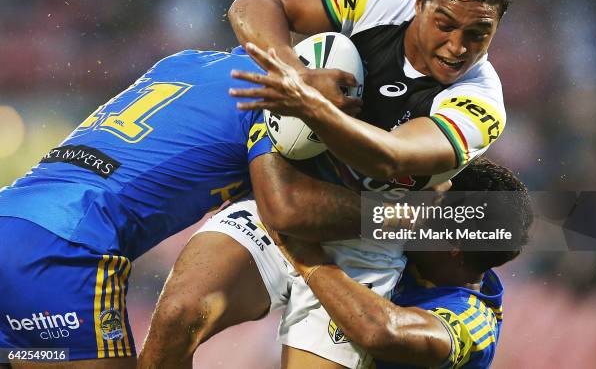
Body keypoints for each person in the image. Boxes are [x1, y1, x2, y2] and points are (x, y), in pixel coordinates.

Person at [140, 0, 515, 369]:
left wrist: (309, 105)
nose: (457, 47)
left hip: (365, 242)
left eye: (477, 35)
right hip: (284, 196)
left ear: (496, 28)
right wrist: (294, 72)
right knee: (177, 317)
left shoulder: (482, 103)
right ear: (419, 2)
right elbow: (257, 3)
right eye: (444, 24)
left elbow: (391, 158)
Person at [0, 46, 362, 368]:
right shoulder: (269, 104)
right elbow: (286, 210)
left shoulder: (184, 60)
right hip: (68, 241)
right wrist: (410, 216)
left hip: (12, 212)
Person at [274, 157, 533, 368]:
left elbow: (382, 332)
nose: (411, 208)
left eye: (432, 207)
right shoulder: (417, 259)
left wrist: (309, 260)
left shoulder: (473, 324)